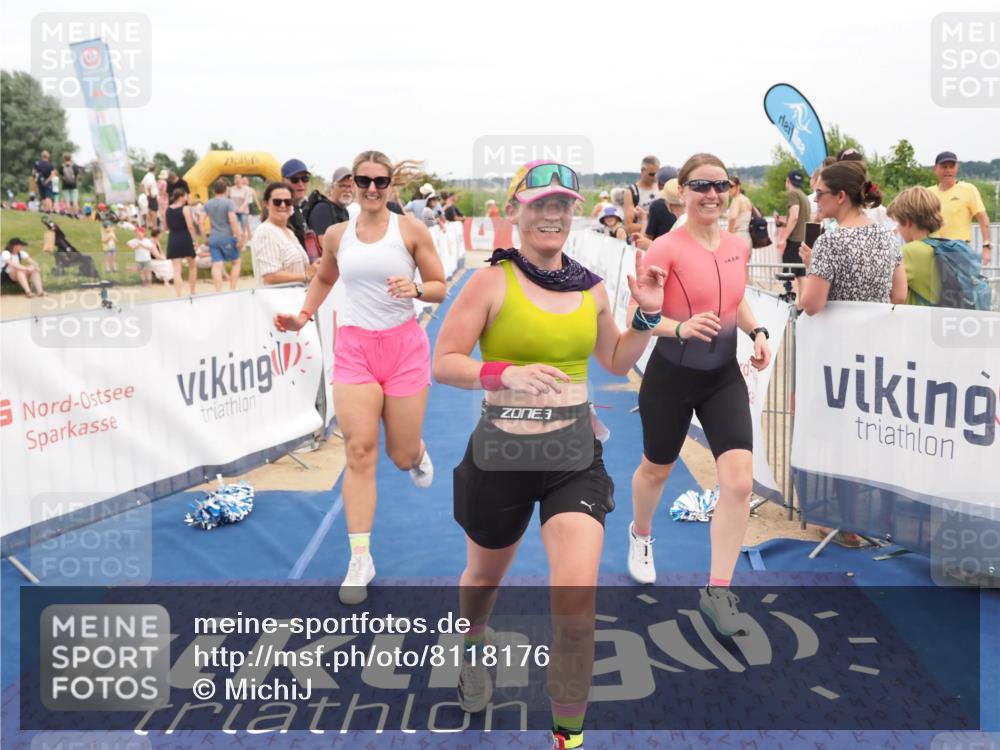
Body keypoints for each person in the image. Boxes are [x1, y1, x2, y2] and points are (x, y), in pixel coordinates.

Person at [432, 159, 665, 750]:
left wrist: (647, 315)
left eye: (562, 204)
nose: (551, 214)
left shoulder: (589, 286)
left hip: (573, 456)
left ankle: (568, 739)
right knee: (484, 579)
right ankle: (472, 646)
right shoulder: (490, 282)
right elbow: (444, 363)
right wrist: (502, 371)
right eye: (539, 204)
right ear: (516, 211)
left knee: (577, 614)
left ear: (573, 215)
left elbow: (616, 359)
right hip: (500, 454)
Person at [272, 151, 446, 606]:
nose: (371, 188)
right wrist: (304, 315)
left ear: (390, 184)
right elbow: (326, 277)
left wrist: (418, 290)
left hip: (404, 349)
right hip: (354, 350)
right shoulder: (336, 234)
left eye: (380, 181)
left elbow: (440, 285)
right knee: (359, 450)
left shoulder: (410, 230)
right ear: (352, 182)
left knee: (400, 455)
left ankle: (417, 451)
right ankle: (360, 557)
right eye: (363, 180)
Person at [627, 154, 772, 638]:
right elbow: (638, 320)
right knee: (656, 468)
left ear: (729, 190)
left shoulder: (736, 245)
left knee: (737, 483)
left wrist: (757, 330)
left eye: (720, 185)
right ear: (682, 192)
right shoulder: (664, 249)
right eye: (700, 186)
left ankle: (717, 591)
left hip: (722, 378)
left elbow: (737, 297)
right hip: (670, 376)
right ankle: (641, 534)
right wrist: (680, 326)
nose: (711, 195)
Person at [798, 159, 907, 314]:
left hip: (841, 333)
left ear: (841, 196)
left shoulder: (829, 241)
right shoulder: (886, 236)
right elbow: (900, 295)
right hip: (878, 333)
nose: (815, 199)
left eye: (820, 192)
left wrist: (812, 268)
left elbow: (810, 305)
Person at [886, 186, 947, 306]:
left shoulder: (909, 252)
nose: (897, 228)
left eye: (898, 222)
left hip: (919, 322)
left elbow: (886, 292)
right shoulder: (947, 245)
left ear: (908, 221)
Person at [929, 151, 992, 265]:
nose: (948, 170)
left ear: (957, 167)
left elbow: (983, 218)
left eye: (951, 166)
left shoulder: (968, 189)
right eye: (944, 167)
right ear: (935, 168)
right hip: (934, 249)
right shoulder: (928, 193)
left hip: (959, 250)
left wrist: (987, 246)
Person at [250, 182, 314, 286]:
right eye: (277, 202)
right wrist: (305, 275)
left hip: (295, 297)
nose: (283, 205)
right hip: (276, 300)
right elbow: (270, 276)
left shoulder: (289, 232)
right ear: (266, 204)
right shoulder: (265, 232)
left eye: (288, 201)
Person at [205, 177, 245, 292]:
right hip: (227, 237)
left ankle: (218, 291)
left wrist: (205, 237)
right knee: (236, 262)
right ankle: (232, 289)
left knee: (217, 265)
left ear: (214, 190)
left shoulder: (208, 204)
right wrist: (239, 238)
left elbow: (200, 221)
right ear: (226, 189)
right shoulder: (229, 203)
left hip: (213, 237)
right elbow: (233, 221)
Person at [776, 169, 811, 290]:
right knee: (801, 276)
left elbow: (795, 216)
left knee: (789, 277)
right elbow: (800, 218)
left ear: (788, 181)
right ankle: (801, 305)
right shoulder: (804, 196)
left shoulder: (793, 194)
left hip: (794, 241)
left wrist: (783, 239)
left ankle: (790, 304)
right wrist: (784, 223)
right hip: (803, 240)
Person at [165, 188, 199, 296]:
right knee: (192, 265)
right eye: (186, 196)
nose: (187, 197)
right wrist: (195, 240)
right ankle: (192, 291)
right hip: (184, 237)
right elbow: (190, 226)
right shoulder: (185, 209)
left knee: (176, 269)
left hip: (173, 238)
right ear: (181, 197)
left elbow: (166, 226)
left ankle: (179, 294)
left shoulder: (168, 210)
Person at [307, 167, 353, 240]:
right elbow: (323, 243)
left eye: (350, 186)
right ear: (332, 187)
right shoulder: (322, 209)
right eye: (343, 186)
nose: (347, 190)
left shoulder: (344, 211)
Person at [624, 155, 660, 235]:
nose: (654, 178)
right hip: (641, 240)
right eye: (651, 174)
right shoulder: (631, 192)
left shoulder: (661, 187)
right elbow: (628, 227)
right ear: (642, 170)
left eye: (657, 174)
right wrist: (654, 226)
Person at [280, 158, 312, 249]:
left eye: (305, 179)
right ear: (283, 181)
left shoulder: (304, 206)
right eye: (295, 179)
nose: (301, 183)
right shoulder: (279, 209)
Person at [726, 176, 753, 249]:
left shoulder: (736, 200)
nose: (728, 189)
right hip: (746, 237)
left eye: (731, 186)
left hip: (737, 236)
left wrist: (729, 234)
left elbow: (733, 217)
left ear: (738, 186)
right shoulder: (746, 199)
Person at [228, 174, 254, 243]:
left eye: (239, 180)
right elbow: (229, 199)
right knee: (234, 226)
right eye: (236, 180)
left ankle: (244, 244)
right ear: (234, 181)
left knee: (244, 227)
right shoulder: (231, 189)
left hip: (244, 211)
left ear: (241, 180)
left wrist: (241, 208)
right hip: (234, 210)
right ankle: (237, 241)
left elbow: (247, 200)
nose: (237, 181)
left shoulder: (246, 189)